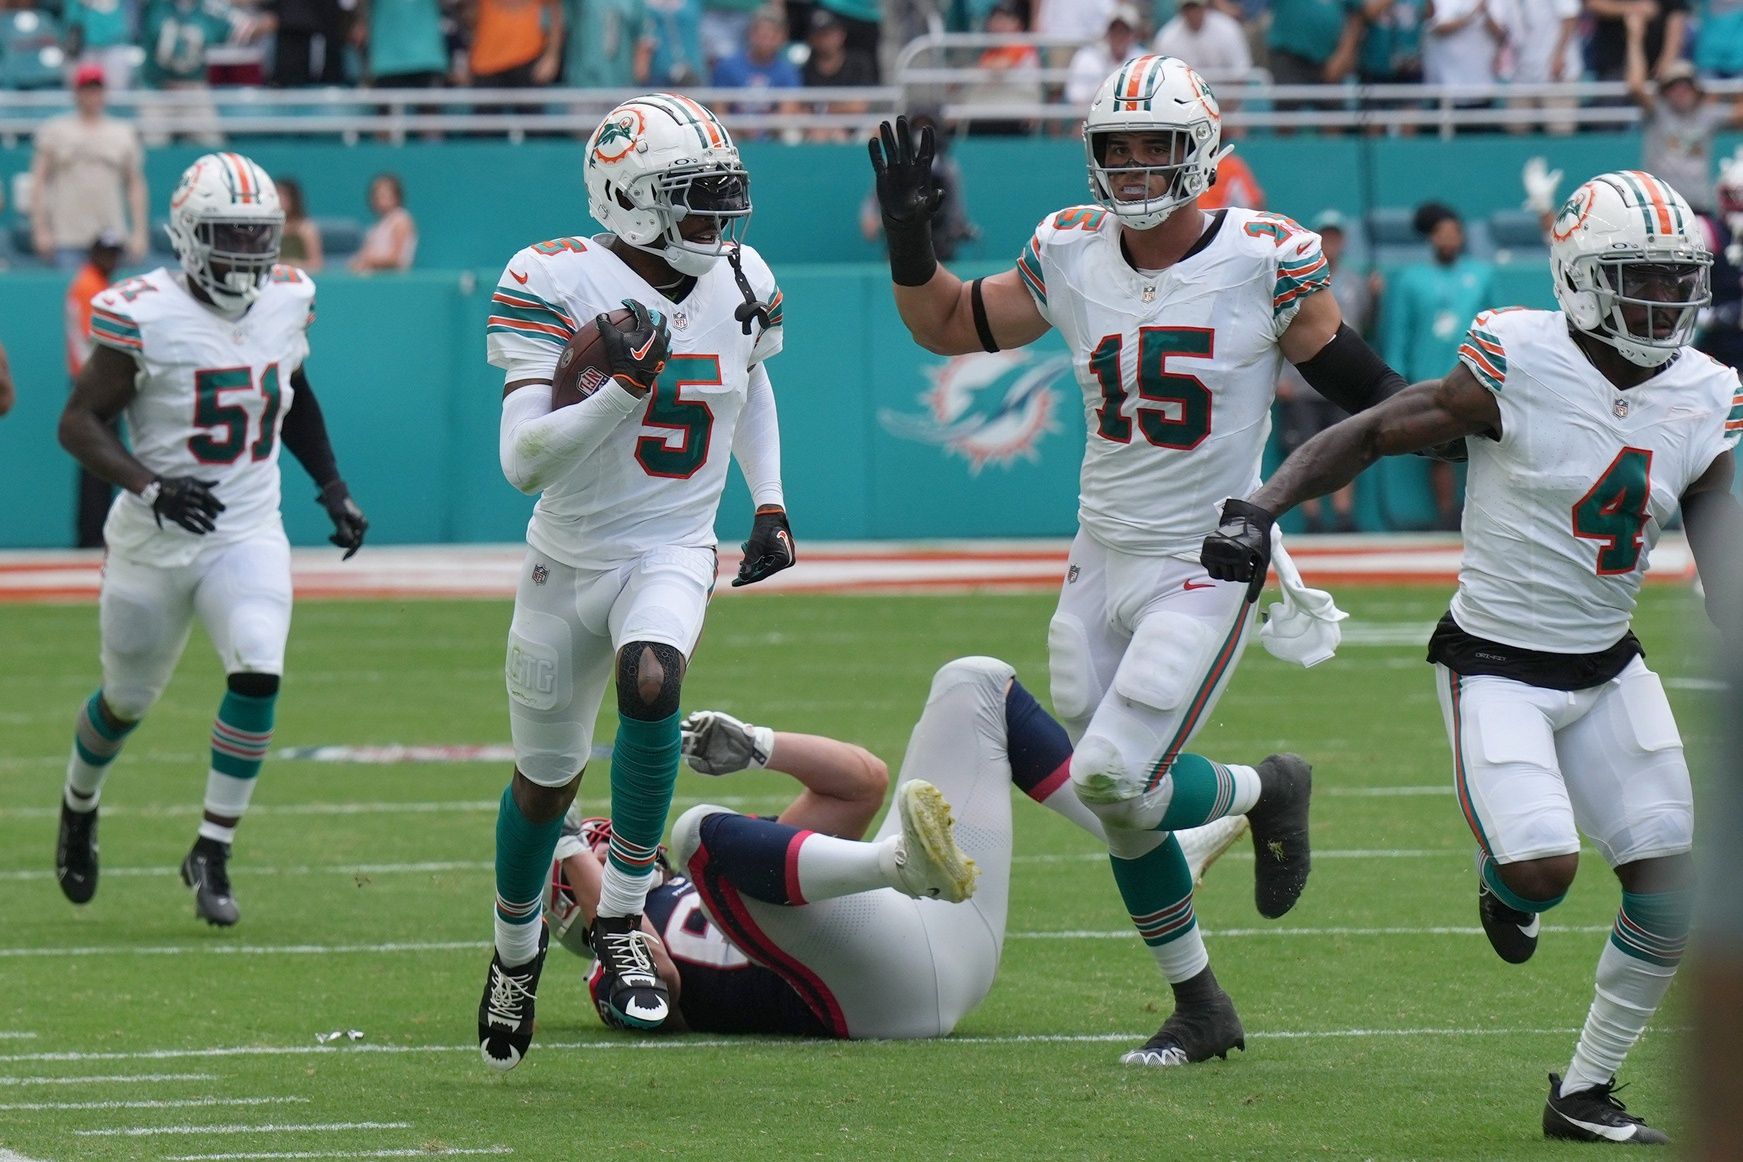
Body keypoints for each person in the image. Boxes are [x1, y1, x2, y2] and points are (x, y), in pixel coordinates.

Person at [868, 54, 1412, 1065]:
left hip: (1205, 555)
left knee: (1118, 777)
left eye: (1154, 143)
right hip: (1098, 549)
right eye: (1115, 145)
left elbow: (1364, 385)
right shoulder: (1071, 252)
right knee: (1118, 798)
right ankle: (1201, 1002)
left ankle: (1258, 791)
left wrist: (1456, 420)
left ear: (1200, 150)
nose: (1131, 164)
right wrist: (914, 238)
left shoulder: (1264, 258)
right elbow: (947, 322)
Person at [1202, 170, 1741, 1146]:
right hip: (1496, 660)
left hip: (1610, 665)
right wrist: (1259, 507)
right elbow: (1376, 427)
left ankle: (1583, 1092)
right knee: (1542, 870)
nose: (1666, 302)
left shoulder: (1707, 394)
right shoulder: (1518, 358)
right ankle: (1503, 887)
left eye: (1678, 280)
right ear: (1581, 279)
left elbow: (1721, 541)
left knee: (1670, 893)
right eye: (1643, 279)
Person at [478, 93, 796, 1070]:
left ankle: (620, 915)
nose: (714, 223)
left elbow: (747, 376)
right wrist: (618, 389)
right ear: (626, 197)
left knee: (654, 676)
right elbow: (522, 461)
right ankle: (513, 955)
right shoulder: (553, 276)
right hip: (563, 557)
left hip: (670, 545)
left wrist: (771, 500)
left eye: (719, 199)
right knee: (544, 784)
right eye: (689, 200)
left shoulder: (741, 274)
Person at [544, 658, 1251, 1038]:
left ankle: (1153, 837)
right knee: (696, 829)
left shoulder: (734, 883)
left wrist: (760, 747)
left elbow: (861, 785)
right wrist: (568, 845)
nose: (607, 846)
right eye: (593, 857)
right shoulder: (615, 969)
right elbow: (655, 990)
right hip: (873, 1000)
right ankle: (901, 866)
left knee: (976, 682)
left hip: (935, 920)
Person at [53, 152, 370, 930]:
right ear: (189, 235)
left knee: (259, 666)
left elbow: (292, 396)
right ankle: (78, 801)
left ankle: (212, 847)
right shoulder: (145, 311)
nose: (246, 251)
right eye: (228, 233)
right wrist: (150, 486)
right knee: (126, 701)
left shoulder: (288, 298)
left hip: (248, 529)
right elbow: (77, 422)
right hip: (152, 542)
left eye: (258, 235)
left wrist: (332, 487)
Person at [1382, 201, 1494, 529]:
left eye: (1453, 234)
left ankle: (1482, 514)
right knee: (1439, 448)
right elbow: (1400, 331)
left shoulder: (1481, 274)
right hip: (1428, 375)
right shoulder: (1410, 280)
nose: (1447, 240)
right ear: (1431, 238)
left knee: (1484, 446)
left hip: (1473, 375)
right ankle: (1447, 512)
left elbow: (1494, 323)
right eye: (1440, 234)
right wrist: (1395, 376)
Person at [1275, 210, 1376, 532]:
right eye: (1326, 238)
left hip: (1343, 379)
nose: (1331, 244)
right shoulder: (1296, 282)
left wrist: (1377, 298)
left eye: (1335, 237)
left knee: (1345, 446)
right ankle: (1313, 517)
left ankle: (1343, 514)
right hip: (1302, 378)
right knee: (1303, 446)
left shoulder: (1355, 283)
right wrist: (1282, 379)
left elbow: (1365, 327)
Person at [29, 65, 148, 269]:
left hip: (110, 234)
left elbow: (135, 185)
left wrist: (139, 232)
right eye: (87, 89)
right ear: (77, 93)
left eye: (96, 89)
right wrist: (40, 229)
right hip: (68, 236)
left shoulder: (122, 132)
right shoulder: (55, 131)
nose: (92, 95)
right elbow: (38, 182)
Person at [65, 231, 127, 548]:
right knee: (99, 460)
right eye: (107, 253)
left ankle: (94, 531)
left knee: (100, 461)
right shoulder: (91, 286)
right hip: (94, 382)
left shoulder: (96, 283)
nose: (112, 260)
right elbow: (96, 342)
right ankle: (92, 534)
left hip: (92, 379)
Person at [1627, 46, 1743, 217]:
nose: (1681, 90)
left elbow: (1739, 114)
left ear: (1696, 89)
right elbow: (1635, 87)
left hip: (1699, 208)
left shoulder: (1707, 115)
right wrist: (1634, 37)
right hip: (1661, 208)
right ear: (1665, 92)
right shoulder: (1658, 112)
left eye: (1686, 84)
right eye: (1674, 86)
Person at [859, 110, 974, 262]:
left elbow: (956, 211)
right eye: (917, 127)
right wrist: (871, 218)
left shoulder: (948, 168)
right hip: (901, 243)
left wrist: (958, 228)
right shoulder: (894, 168)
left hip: (939, 247)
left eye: (927, 128)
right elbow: (874, 201)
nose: (921, 134)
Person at [800, 8, 876, 142]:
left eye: (828, 34)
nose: (824, 40)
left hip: (856, 128)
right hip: (818, 130)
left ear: (841, 34)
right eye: (819, 34)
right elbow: (802, 110)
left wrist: (823, 109)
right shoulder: (806, 67)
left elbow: (858, 108)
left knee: (880, 131)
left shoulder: (858, 63)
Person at [1065, 5, 1146, 110]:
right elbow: (1076, 98)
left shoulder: (1143, 61)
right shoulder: (1087, 58)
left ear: (1133, 35)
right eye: (1115, 31)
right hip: (1091, 117)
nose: (1119, 36)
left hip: (1131, 118)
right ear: (1107, 33)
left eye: (1124, 31)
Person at [1152, 0, 1251, 76]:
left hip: (1227, 96)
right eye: (1188, 8)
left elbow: (1241, 72)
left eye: (1196, 7)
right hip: (1185, 98)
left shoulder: (1228, 28)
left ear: (1205, 7)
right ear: (1181, 10)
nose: (1192, 13)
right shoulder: (1167, 38)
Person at [349, 173, 417, 273]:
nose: (380, 200)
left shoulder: (401, 220)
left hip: (393, 281)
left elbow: (396, 259)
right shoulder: (377, 226)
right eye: (377, 196)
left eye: (385, 195)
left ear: (396, 196)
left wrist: (369, 260)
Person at [275, 177, 323, 272]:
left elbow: (317, 264)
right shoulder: (268, 229)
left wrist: (291, 264)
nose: (279, 201)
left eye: (283, 196)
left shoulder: (306, 229)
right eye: (275, 196)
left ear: (293, 199)